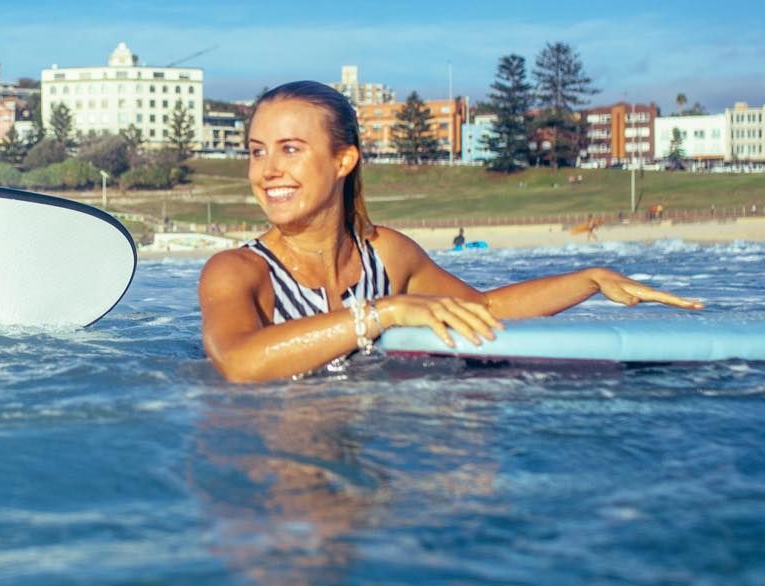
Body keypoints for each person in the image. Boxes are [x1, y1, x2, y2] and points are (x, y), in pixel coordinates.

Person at [198, 81, 703, 383]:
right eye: (257, 151)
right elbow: (239, 363)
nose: (267, 170)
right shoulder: (236, 271)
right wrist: (384, 312)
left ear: (343, 160)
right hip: (270, 467)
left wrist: (589, 279)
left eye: (289, 149)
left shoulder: (386, 254)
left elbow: (482, 309)